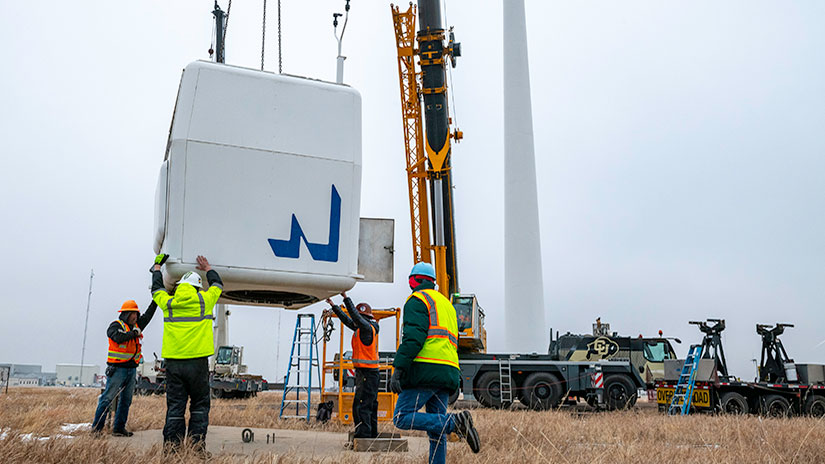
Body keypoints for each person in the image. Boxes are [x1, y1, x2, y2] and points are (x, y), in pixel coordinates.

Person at [391, 262, 480, 463]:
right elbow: (452, 343)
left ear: (414, 280)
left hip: (425, 369)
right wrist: (455, 378)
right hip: (446, 372)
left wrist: (398, 368)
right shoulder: (447, 305)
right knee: (436, 431)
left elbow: (413, 338)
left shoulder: (417, 300)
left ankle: (454, 422)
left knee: (401, 416)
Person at [150, 254, 223, 453]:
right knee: (199, 406)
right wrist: (207, 267)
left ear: (180, 285)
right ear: (197, 287)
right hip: (197, 363)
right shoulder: (205, 301)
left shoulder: (169, 303)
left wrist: (157, 267)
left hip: (174, 364)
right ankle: (196, 450)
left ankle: (172, 451)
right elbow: (218, 284)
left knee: (175, 407)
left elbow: (156, 289)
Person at [91, 299, 158, 436]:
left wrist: (156, 300)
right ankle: (96, 430)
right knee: (107, 398)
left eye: (137, 314)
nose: (136, 317)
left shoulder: (136, 326)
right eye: (134, 314)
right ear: (127, 314)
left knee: (126, 400)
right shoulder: (116, 325)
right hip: (117, 369)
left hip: (131, 369)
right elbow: (117, 337)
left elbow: (148, 315)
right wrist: (134, 333)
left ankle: (119, 428)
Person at [325, 292, 380, 439]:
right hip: (367, 374)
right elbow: (348, 320)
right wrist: (333, 306)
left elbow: (354, 318)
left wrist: (345, 297)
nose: (356, 321)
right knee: (369, 405)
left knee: (361, 406)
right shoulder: (361, 329)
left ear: (365, 319)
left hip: (368, 374)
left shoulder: (367, 329)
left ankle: (363, 437)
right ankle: (371, 434)